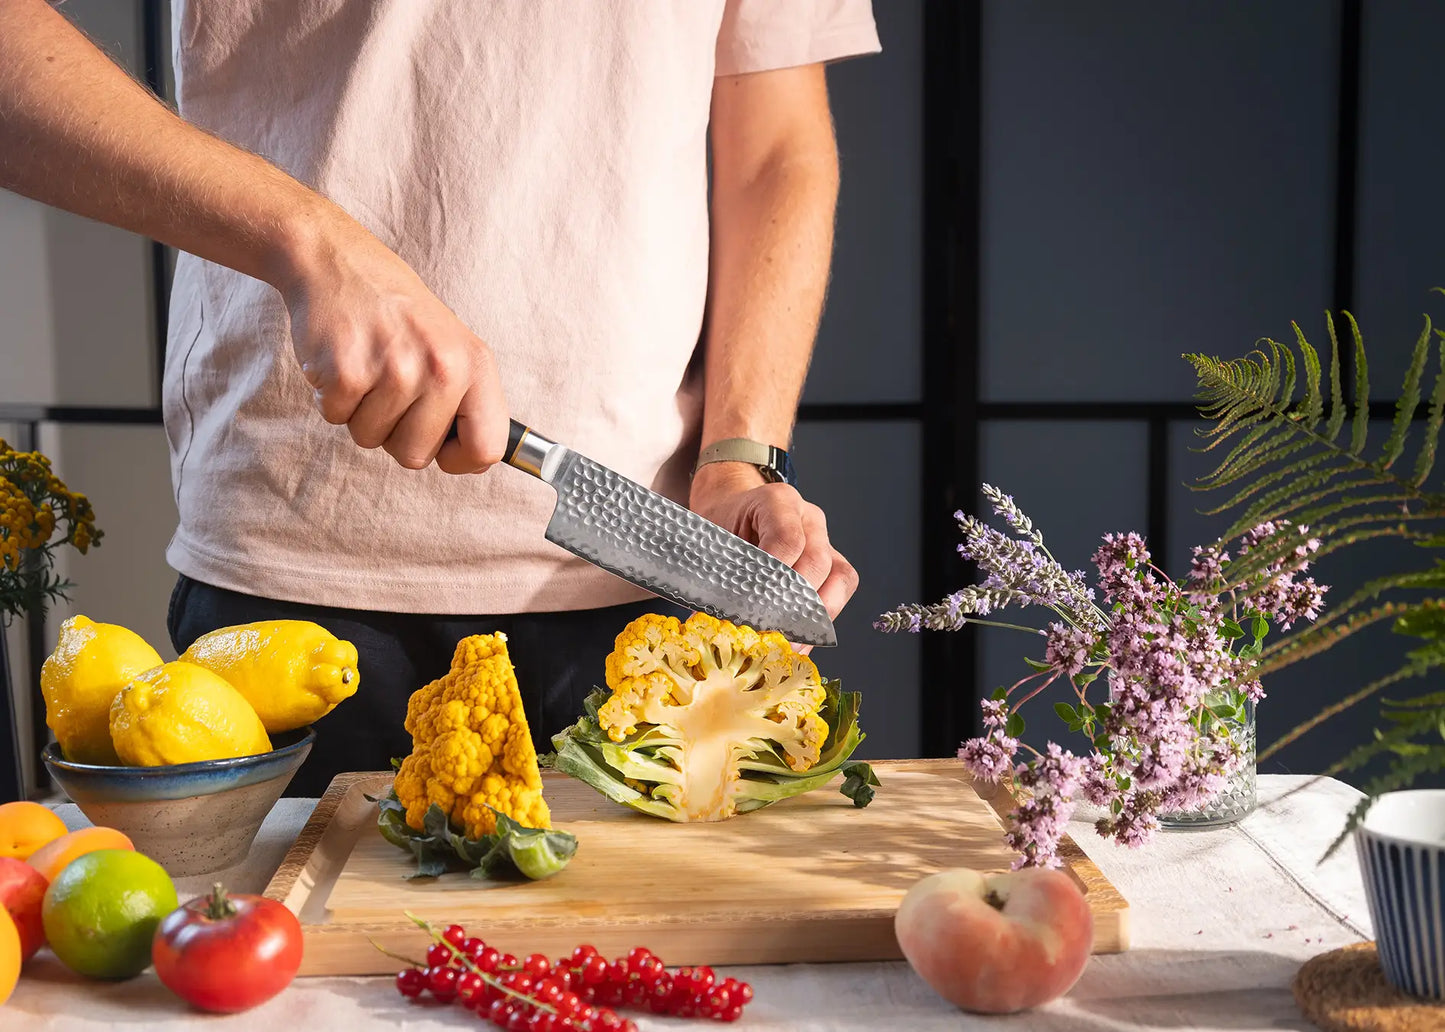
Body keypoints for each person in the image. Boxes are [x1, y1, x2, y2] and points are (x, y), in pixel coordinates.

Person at [0, 1, 877, 796]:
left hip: (649, 587)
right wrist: (306, 239)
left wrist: (739, 455)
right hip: (295, 589)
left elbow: (776, 152)